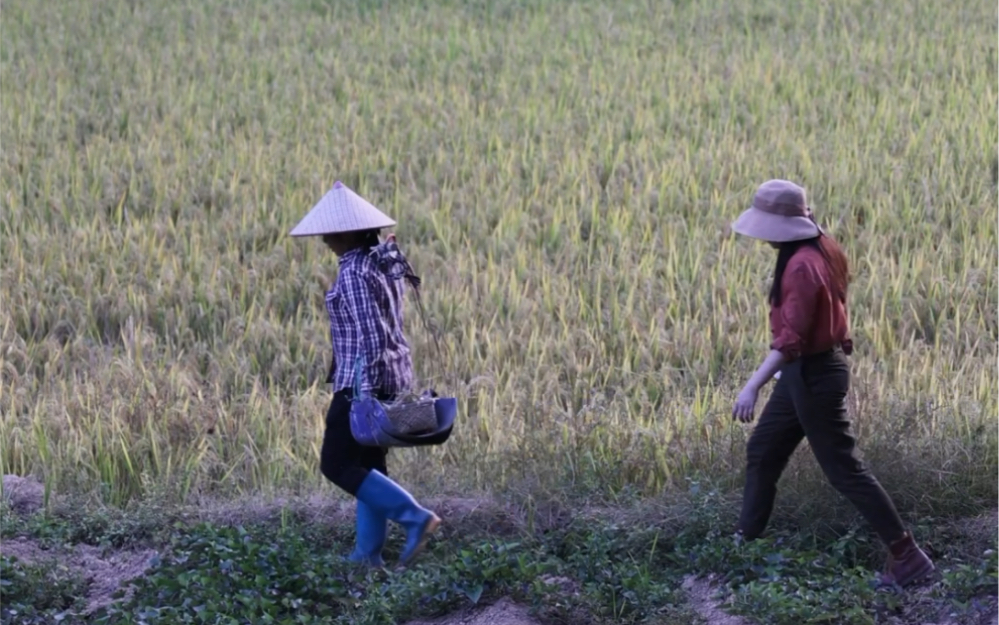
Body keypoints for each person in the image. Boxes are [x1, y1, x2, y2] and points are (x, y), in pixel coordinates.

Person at [728, 179, 934, 587]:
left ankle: (907, 556)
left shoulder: (802, 264)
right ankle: (744, 546)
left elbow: (791, 341)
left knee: (844, 469)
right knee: (764, 451)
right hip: (805, 372)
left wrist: (751, 386)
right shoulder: (818, 245)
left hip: (814, 373)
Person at [290, 180, 441, 568]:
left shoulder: (355, 271)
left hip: (362, 383)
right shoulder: (383, 262)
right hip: (392, 377)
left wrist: (364, 394)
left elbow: (372, 337)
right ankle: (367, 555)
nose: (325, 239)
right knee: (370, 467)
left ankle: (415, 518)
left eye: (331, 231)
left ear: (349, 231)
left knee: (336, 464)